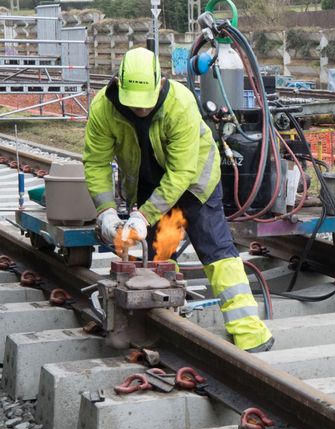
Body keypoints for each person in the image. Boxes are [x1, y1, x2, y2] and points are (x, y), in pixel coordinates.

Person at [84, 47, 274, 352]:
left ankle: (250, 332)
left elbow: (181, 171)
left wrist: (143, 216)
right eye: (134, 105)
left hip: (195, 181)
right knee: (151, 255)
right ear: (118, 85)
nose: (139, 111)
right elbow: (96, 163)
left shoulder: (180, 103)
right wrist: (106, 211)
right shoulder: (103, 109)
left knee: (216, 249)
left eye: (145, 106)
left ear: (160, 84)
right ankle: (149, 324)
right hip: (146, 183)